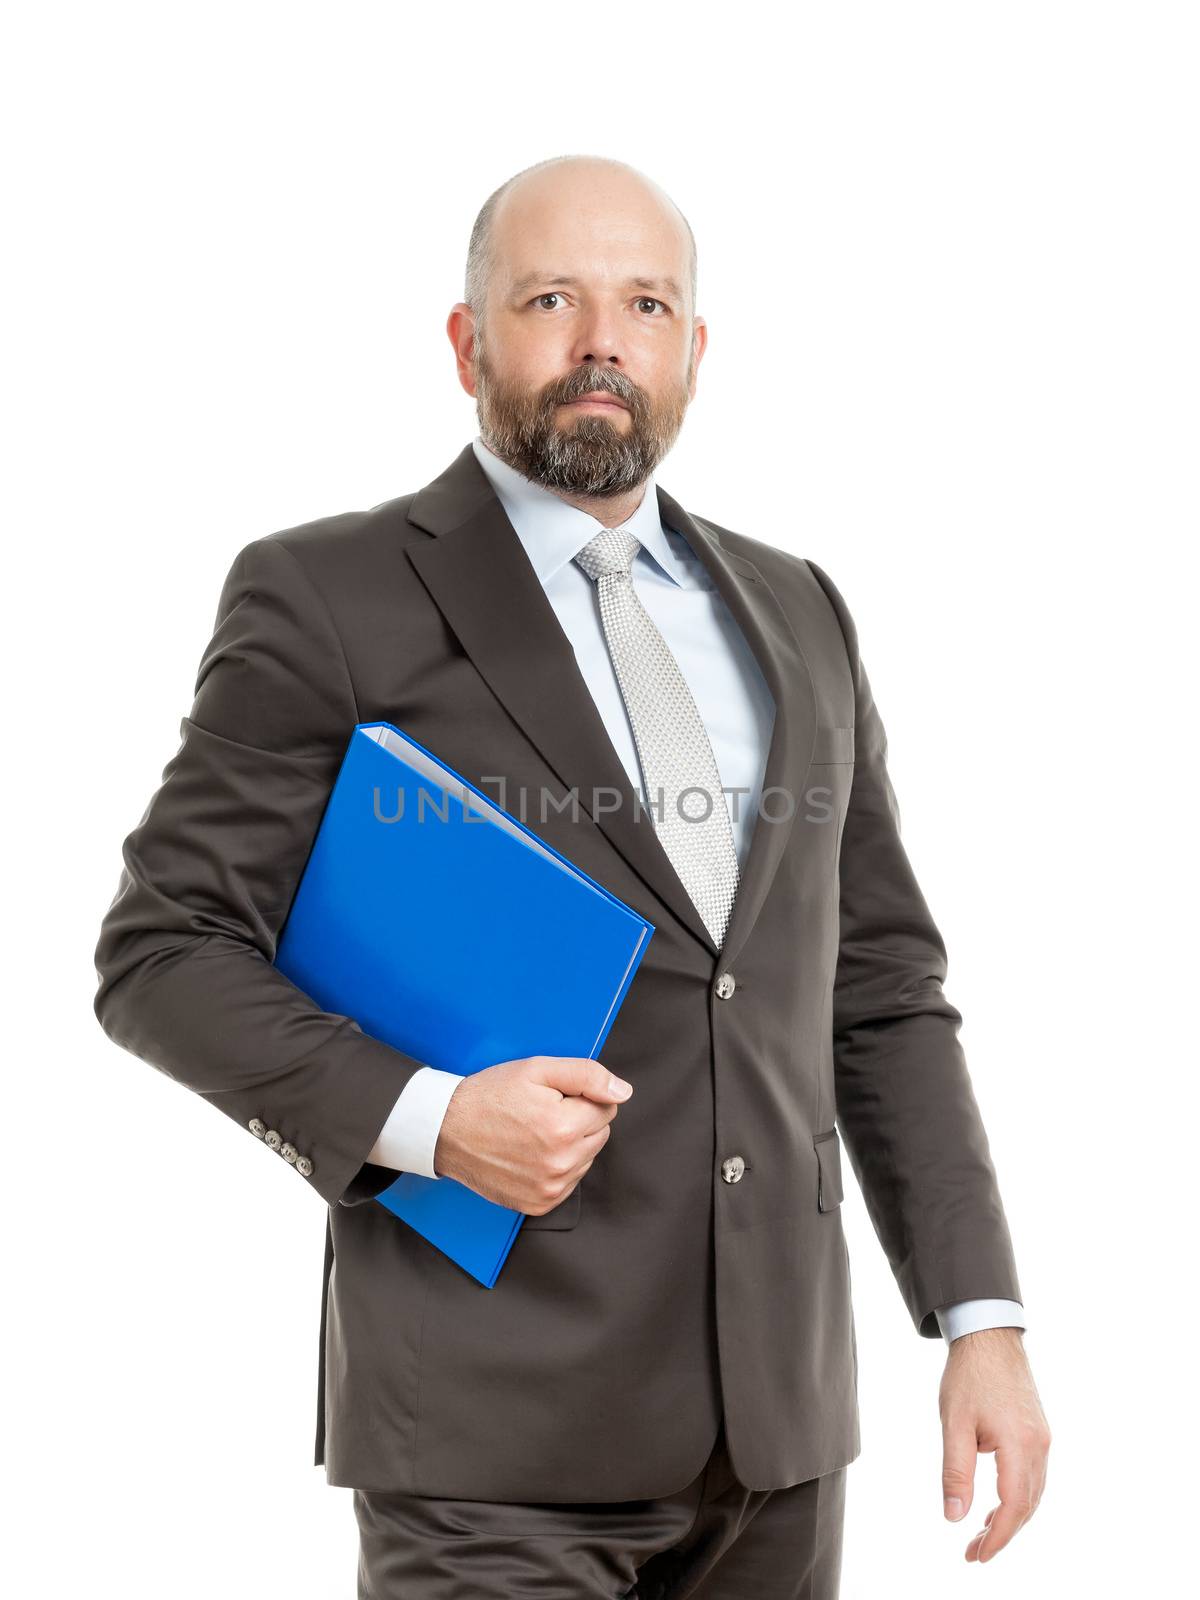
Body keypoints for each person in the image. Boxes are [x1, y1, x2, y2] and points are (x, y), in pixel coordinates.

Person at [93, 153, 1050, 1598]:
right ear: (469, 342)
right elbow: (162, 952)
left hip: (779, 1437)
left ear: (692, 351)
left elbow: (882, 992)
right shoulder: (328, 595)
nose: (604, 338)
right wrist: (431, 1121)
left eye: (646, 303)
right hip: (492, 1441)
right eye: (552, 298)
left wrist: (981, 1316)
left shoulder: (798, 609)